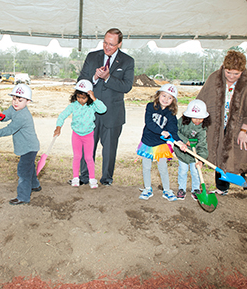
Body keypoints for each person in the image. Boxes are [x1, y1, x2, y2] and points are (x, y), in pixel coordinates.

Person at [197, 50, 247, 204]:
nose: (231, 76)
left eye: (236, 73)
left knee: (246, 150)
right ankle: (222, 187)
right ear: (224, 67)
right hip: (217, 125)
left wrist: (243, 131)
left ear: (242, 71)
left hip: (240, 126)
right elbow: (202, 99)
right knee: (218, 151)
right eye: (228, 72)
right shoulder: (214, 78)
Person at [77, 28, 135, 186]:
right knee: (87, 147)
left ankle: (106, 179)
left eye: (111, 44)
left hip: (113, 113)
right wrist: (94, 77)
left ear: (119, 44)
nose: (107, 47)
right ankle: (84, 176)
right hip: (90, 112)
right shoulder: (92, 56)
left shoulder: (127, 61)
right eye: (105, 42)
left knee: (109, 150)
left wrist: (108, 77)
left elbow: (127, 86)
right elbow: (81, 80)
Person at [0, 84, 41, 205]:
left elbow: (9, 130)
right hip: (25, 146)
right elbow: (6, 116)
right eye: (14, 99)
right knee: (29, 168)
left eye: (20, 100)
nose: (16, 102)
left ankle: (23, 197)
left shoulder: (23, 116)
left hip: (29, 148)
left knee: (23, 171)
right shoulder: (14, 108)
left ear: (28, 101)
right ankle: (35, 185)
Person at [136, 84, 186, 201]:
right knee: (146, 166)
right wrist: (161, 131)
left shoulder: (171, 114)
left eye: (170, 98)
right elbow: (149, 123)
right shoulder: (150, 107)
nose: (166, 99)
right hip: (147, 141)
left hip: (160, 143)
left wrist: (179, 142)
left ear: (173, 100)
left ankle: (167, 190)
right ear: (158, 95)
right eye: (164, 95)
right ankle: (147, 188)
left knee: (163, 167)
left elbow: (173, 130)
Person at [54, 79, 107, 189]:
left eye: (83, 98)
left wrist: (94, 98)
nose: (80, 100)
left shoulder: (92, 106)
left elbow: (103, 109)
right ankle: (75, 178)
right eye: (78, 97)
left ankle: (92, 179)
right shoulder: (73, 105)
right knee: (77, 156)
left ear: (89, 96)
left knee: (88, 157)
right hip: (76, 135)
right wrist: (58, 127)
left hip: (88, 135)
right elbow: (62, 115)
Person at [174, 99, 210, 200]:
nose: (198, 121)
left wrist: (201, 159)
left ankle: (196, 189)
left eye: (201, 118)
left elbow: (203, 145)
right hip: (182, 151)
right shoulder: (182, 121)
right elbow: (175, 131)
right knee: (183, 170)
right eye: (195, 118)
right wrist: (185, 141)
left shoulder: (202, 128)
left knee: (195, 171)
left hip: (195, 155)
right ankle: (182, 188)